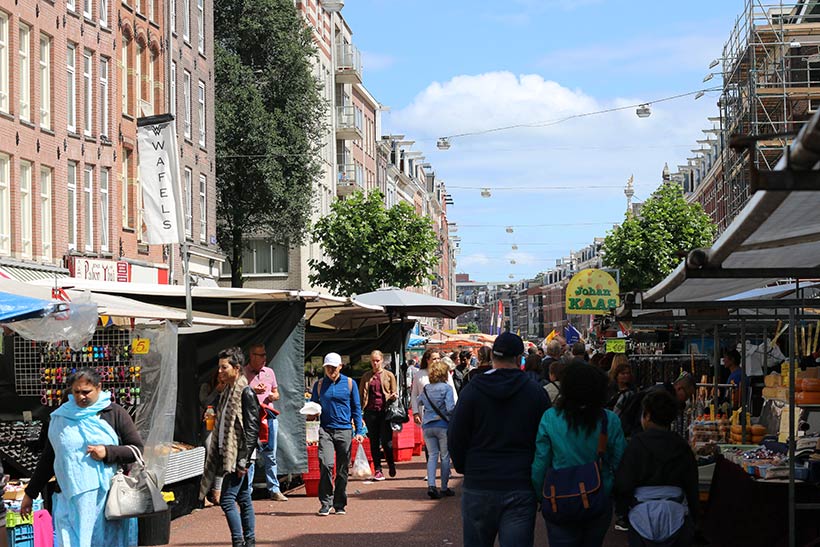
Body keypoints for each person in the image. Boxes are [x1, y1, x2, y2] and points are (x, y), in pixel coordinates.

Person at [21, 367, 143, 547]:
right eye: (76, 392)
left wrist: (107, 452)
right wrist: (30, 493)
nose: (81, 397)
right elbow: (49, 458)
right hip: (68, 499)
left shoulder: (114, 413)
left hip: (104, 503)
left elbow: (136, 450)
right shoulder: (61, 417)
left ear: (99, 387)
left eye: (86, 392)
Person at [449, 332, 551, 547]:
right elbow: (545, 440)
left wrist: (464, 466)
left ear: (493, 357)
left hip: (479, 479)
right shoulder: (535, 392)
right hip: (520, 481)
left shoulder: (473, 390)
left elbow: (456, 434)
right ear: (518, 358)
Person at [532, 363, 627, 547]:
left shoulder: (550, 417)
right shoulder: (609, 419)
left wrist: (540, 495)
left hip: (559, 497)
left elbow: (540, 463)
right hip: (598, 495)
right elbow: (620, 461)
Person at [614, 389, 699, 546]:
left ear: (646, 415)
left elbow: (624, 483)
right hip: (676, 512)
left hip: (640, 513)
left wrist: (622, 512)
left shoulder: (636, 444)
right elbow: (692, 484)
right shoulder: (681, 446)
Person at [200, 347, 261, 547]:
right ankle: (249, 541)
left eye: (224, 367)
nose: (220, 371)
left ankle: (239, 542)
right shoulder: (226, 391)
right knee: (243, 498)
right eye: (219, 367)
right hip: (232, 454)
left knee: (227, 500)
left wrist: (243, 459)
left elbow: (252, 429)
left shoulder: (246, 392)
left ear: (236, 368)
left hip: (239, 456)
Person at [309, 352, 365, 516]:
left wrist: (359, 431)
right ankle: (326, 502)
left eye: (334, 367)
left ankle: (339, 503)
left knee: (342, 469)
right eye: (328, 367)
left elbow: (356, 408)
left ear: (340, 366)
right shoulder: (319, 385)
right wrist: (311, 413)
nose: (331, 370)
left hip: (345, 430)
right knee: (326, 464)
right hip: (325, 429)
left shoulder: (349, 383)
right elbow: (313, 405)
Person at [244, 343, 287, 502]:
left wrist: (273, 396)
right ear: (252, 356)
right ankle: (246, 492)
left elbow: (276, 393)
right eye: (260, 355)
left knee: (271, 454)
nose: (264, 358)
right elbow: (239, 393)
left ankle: (274, 490)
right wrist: (253, 391)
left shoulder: (269, 372)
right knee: (250, 456)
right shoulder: (243, 372)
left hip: (269, 417)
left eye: (264, 355)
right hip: (250, 419)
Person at [418, 358, 456, 499]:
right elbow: (450, 408)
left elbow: (418, 401)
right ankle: (444, 487)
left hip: (427, 426)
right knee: (445, 457)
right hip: (443, 426)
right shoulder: (447, 388)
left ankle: (431, 485)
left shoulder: (426, 388)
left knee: (432, 456)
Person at [620, 371, 696, 439]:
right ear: (679, 388)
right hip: (639, 436)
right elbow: (642, 419)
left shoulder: (663, 393)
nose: (686, 399)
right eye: (687, 395)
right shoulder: (661, 397)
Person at [358, 350, 398, 480]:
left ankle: (391, 464)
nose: (375, 363)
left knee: (387, 442)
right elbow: (361, 395)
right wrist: (360, 412)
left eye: (377, 360)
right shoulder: (366, 376)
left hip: (385, 411)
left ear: (382, 361)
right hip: (370, 412)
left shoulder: (389, 375)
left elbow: (394, 391)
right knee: (374, 442)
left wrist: (393, 396)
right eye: (373, 361)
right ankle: (378, 469)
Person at [412, 350, 457, 422]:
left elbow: (453, 391)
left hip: (444, 415)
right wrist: (415, 412)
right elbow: (414, 394)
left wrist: (455, 410)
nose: (437, 361)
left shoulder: (445, 372)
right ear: (427, 360)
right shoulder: (419, 374)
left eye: (438, 358)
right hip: (426, 416)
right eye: (434, 359)